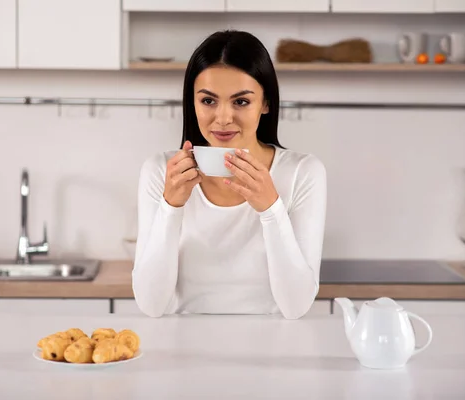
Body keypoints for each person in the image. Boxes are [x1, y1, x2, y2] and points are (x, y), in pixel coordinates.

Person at [132, 30, 327, 319]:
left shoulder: (303, 172)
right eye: (208, 101)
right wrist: (171, 206)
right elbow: (151, 305)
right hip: (182, 348)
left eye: (241, 102)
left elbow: (296, 307)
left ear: (266, 103)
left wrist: (272, 208)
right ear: (192, 103)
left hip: (274, 351)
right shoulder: (161, 170)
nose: (223, 118)